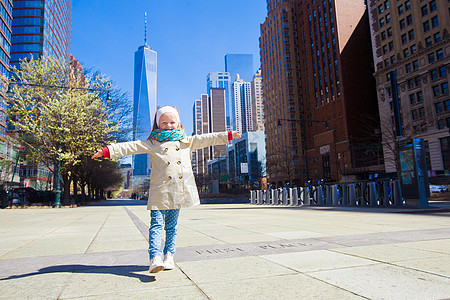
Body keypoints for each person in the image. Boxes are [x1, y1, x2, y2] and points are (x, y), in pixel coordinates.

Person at [92, 105, 241, 273]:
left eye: (172, 122)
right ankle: (155, 258)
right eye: (164, 122)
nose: (169, 125)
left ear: (178, 123)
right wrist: (106, 151)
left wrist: (228, 135)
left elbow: (207, 139)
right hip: (160, 191)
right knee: (156, 224)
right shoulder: (152, 143)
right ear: (158, 124)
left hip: (178, 190)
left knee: (171, 226)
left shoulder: (185, 141)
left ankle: (169, 255)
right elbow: (131, 146)